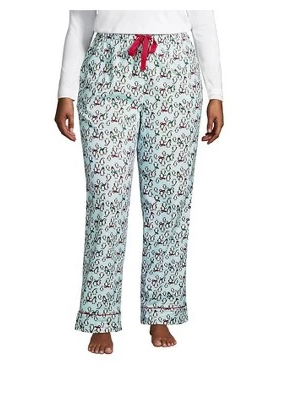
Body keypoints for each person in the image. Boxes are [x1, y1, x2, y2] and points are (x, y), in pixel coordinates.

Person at [54, 10, 224, 355]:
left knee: (168, 199)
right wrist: (65, 92)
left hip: (174, 71)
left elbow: (203, 22)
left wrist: (216, 93)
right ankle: (99, 316)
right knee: (106, 200)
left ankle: (162, 310)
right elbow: (80, 22)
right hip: (106, 70)